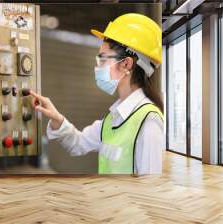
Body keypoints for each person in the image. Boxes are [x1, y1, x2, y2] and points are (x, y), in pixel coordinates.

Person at [30, 13, 164, 175]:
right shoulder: (112, 119)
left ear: (126, 64)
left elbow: (150, 188)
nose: (98, 67)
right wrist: (56, 118)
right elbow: (78, 143)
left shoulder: (148, 120)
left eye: (103, 59)